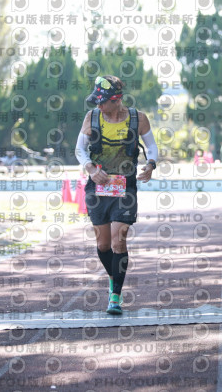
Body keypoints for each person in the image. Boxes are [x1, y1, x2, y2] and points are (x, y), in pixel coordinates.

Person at [75, 75, 158, 315]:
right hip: (98, 187)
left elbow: (151, 146)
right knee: (103, 245)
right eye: (97, 101)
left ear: (117, 99)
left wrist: (151, 164)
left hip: (125, 187)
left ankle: (115, 297)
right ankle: (114, 276)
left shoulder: (138, 118)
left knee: (118, 240)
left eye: (103, 102)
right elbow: (79, 149)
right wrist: (91, 169)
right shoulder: (91, 118)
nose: (99, 106)